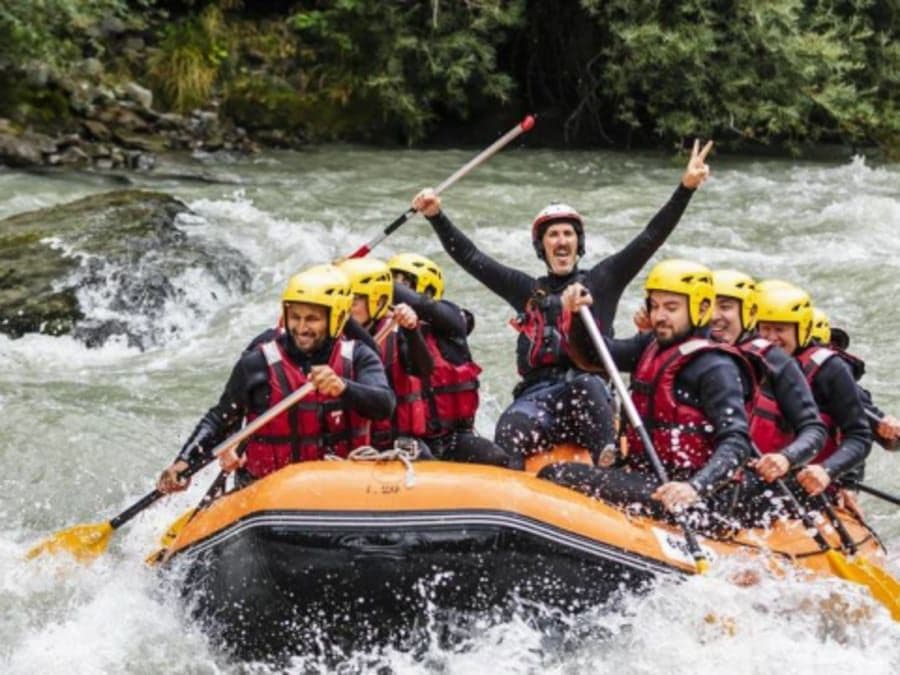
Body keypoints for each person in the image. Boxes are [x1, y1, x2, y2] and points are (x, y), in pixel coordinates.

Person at [413, 140, 715, 466]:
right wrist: (436, 216)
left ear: (578, 243)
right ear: (542, 247)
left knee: (587, 384)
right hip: (537, 397)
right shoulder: (526, 291)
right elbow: (472, 258)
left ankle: (607, 464)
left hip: (590, 394)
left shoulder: (603, 281)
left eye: (568, 234)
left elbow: (649, 238)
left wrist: (685, 189)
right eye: (553, 235)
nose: (561, 240)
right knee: (510, 429)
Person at [539, 259, 754, 520]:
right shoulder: (652, 345)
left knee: (557, 476)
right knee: (555, 473)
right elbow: (592, 357)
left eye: (671, 308)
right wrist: (576, 316)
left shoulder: (716, 366)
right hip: (651, 478)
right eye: (655, 306)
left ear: (702, 307)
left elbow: (736, 442)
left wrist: (694, 488)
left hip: (700, 499)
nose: (659, 316)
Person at [157, 265, 395, 492]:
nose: (301, 328)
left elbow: (385, 404)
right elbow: (220, 418)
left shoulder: (359, 356)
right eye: (295, 317)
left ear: (336, 318)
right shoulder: (257, 362)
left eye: (312, 319)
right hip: (268, 489)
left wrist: (344, 388)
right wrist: (183, 462)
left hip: (342, 485)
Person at [388, 252, 510, 466]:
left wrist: (380, 282)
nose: (396, 290)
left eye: (404, 282)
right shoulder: (386, 332)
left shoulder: (452, 323)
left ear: (428, 288)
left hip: (454, 437)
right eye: (392, 281)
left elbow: (425, 307)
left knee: (496, 457)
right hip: (411, 439)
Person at [755, 283, 872, 498]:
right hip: (751, 481)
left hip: (809, 486)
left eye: (780, 329)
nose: (771, 338)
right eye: (765, 329)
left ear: (803, 329)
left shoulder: (830, 369)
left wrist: (831, 472)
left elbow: (858, 435)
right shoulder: (747, 361)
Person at [710, 269, 825, 483]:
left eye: (725, 307)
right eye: (708, 306)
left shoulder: (775, 361)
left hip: (755, 477)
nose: (714, 316)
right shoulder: (682, 349)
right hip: (695, 469)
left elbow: (814, 429)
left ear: (748, 312)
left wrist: (786, 458)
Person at [337, 257, 433, 452]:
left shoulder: (396, 329)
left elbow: (422, 370)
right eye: (341, 301)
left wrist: (412, 330)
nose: (344, 308)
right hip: (348, 449)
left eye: (353, 301)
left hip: (397, 444)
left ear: (379, 301)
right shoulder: (324, 335)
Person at [812, 307, 900, 451]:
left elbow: (892, 442)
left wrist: (889, 432)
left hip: (831, 468)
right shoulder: (770, 371)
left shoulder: (836, 380)